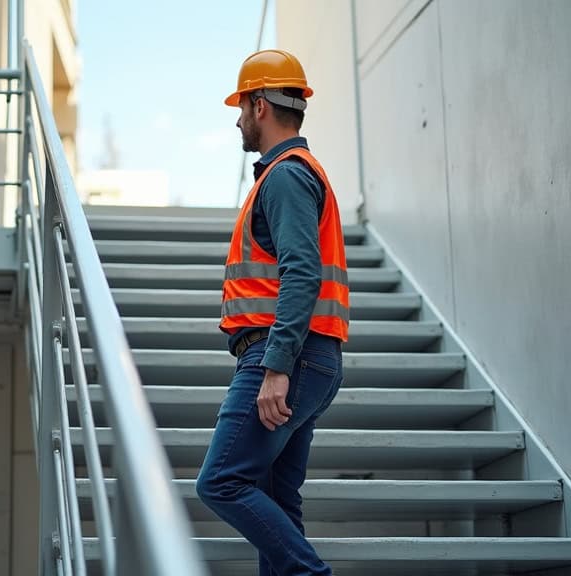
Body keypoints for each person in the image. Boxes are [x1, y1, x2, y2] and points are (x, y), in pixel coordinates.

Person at [196, 49, 350, 576]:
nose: (238, 118)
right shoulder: (295, 175)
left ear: (260, 105)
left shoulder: (284, 176)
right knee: (278, 500)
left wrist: (276, 366)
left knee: (221, 481)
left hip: (285, 355)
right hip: (313, 356)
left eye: (241, 106)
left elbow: (302, 273)